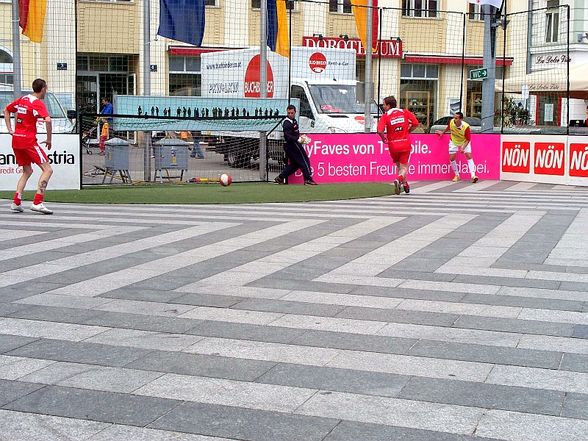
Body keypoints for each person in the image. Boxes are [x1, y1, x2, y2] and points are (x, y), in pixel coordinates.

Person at [3, 78, 54, 214]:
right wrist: (49, 139)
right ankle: (37, 202)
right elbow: (48, 120)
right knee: (47, 169)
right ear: (43, 89)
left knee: (27, 171)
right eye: (46, 88)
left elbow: (6, 110)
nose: (46, 91)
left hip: (17, 140)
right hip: (28, 141)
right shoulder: (37, 103)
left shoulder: (23, 99)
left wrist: (10, 130)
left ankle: (16, 202)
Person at [376, 95, 419, 195]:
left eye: (384, 105)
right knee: (404, 168)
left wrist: (383, 139)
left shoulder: (385, 116)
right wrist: (408, 131)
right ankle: (398, 179)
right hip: (404, 143)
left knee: (399, 167)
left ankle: (405, 185)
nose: (383, 107)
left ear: (389, 105)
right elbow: (416, 123)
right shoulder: (404, 112)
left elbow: (379, 131)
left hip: (393, 145)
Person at [274, 104, 317, 185]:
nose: (290, 114)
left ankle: (280, 177)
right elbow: (288, 136)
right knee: (304, 160)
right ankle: (308, 179)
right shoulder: (287, 123)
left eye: (292, 113)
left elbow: (295, 133)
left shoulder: (294, 121)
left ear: (295, 112)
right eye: (289, 113)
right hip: (292, 145)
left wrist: (301, 137)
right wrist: (297, 139)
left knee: (295, 164)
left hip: (293, 144)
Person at [436, 111, 479, 183]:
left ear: (461, 119)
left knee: (468, 156)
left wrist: (462, 148)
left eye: (456, 118)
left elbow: (468, 139)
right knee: (452, 158)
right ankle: (457, 175)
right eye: (454, 117)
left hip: (464, 141)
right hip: (454, 141)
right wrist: (442, 133)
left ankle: (473, 176)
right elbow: (448, 128)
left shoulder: (466, 127)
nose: (454, 119)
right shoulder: (452, 122)